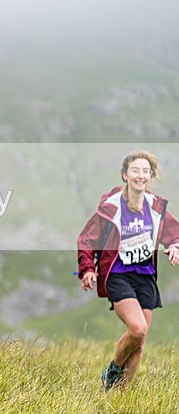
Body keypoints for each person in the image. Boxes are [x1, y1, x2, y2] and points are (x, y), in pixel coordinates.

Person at [77, 149, 179, 390]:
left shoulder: (156, 207)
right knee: (138, 328)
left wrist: (175, 246)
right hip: (118, 274)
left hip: (146, 277)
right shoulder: (111, 207)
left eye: (145, 171)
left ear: (151, 176)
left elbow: (175, 234)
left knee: (140, 341)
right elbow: (86, 239)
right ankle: (112, 371)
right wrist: (88, 269)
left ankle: (120, 397)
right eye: (135, 170)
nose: (140, 175)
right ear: (125, 175)